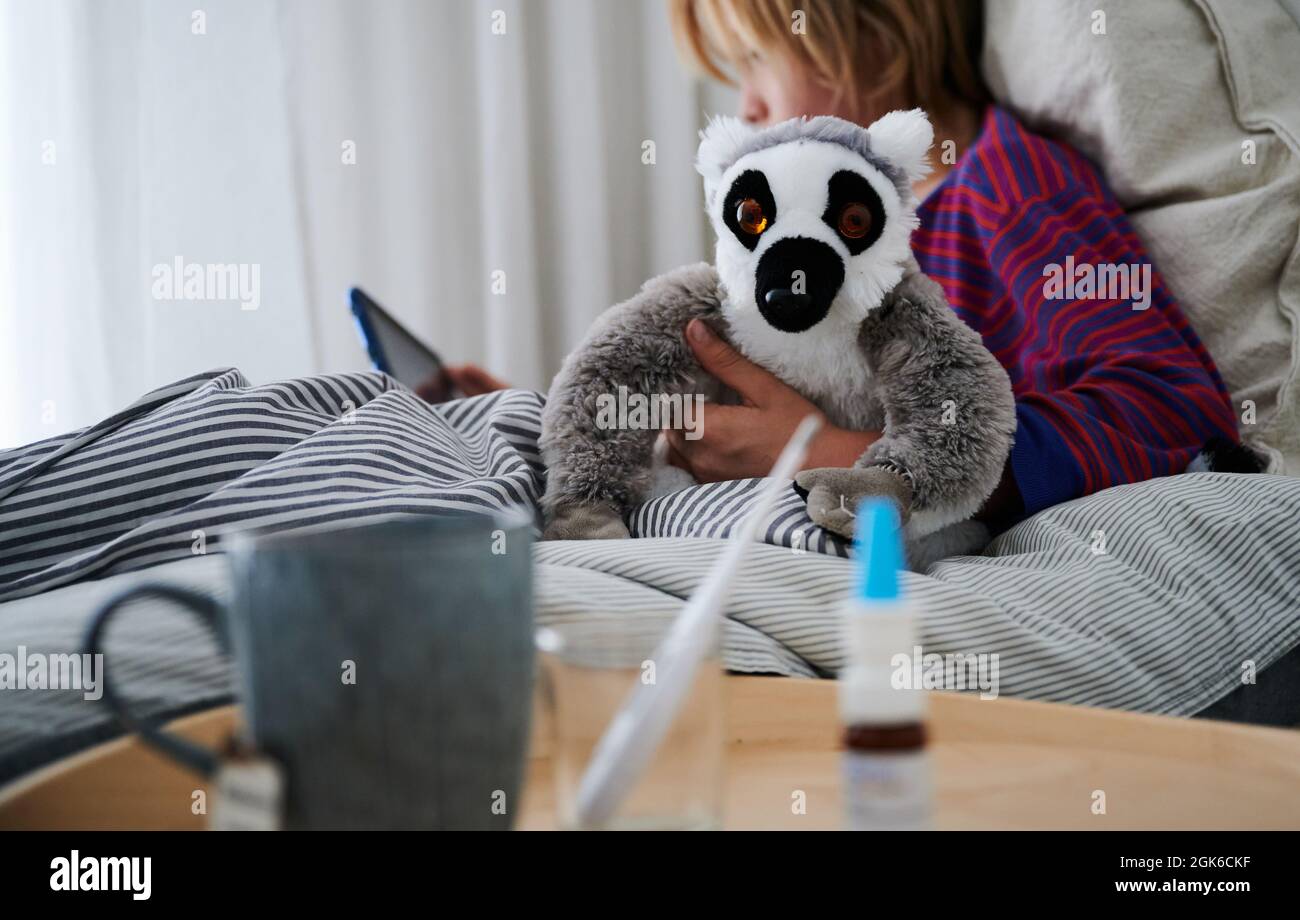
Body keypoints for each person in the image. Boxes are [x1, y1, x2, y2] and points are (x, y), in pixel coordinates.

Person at [444, 0, 1239, 529]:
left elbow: (1171, 402)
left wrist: (840, 458)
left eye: (756, 57)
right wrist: (570, 415)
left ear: (874, 36)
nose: (746, 105)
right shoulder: (781, 256)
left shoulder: (1007, 184)